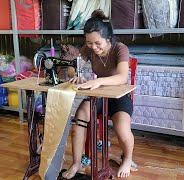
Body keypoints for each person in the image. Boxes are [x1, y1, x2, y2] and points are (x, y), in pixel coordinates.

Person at [63, 10, 135, 178]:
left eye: (97, 43)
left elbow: (123, 76)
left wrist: (98, 81)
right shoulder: (88, 49)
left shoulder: (120, 49)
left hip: (119, 97)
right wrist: (76, 75)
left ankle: (127, 158)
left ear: (108, 38)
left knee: (122, 129)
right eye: (89, 43)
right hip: (100, 96)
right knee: (80, 116)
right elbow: (73, 67)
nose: (93, 47)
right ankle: (76, 163)